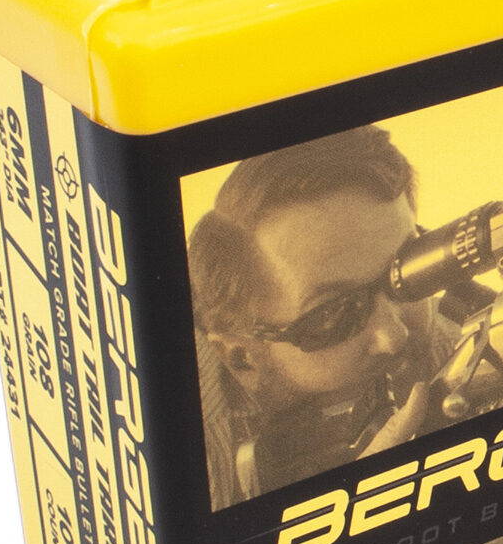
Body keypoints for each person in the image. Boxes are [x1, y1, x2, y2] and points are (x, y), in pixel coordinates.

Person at [188, 124, 455, 511]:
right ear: (243, 358)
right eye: (333, 313)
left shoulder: (455, 347)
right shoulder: (181, 453)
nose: (393, 335)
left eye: (406, 275)